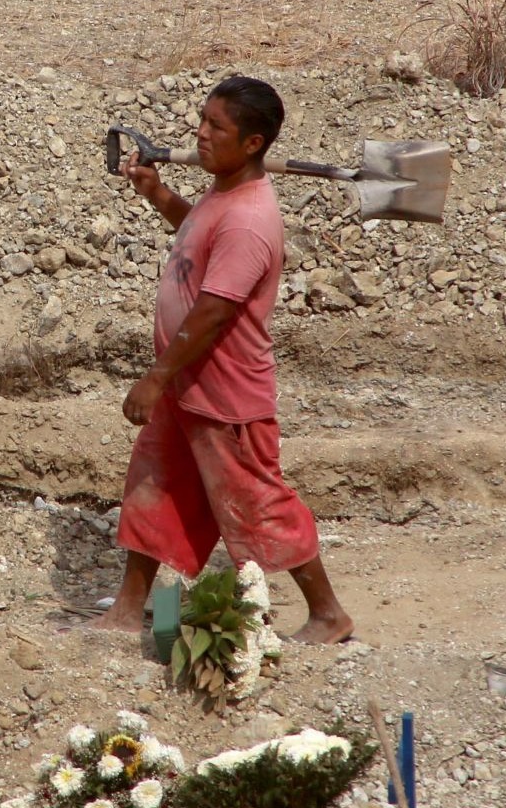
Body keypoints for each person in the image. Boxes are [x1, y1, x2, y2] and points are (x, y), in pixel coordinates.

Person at [87, 75, 353, 644]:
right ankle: (130, 609)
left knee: (254, 501)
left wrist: (154, 379)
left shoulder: (251, 219)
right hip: (186, 385)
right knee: (153, 489)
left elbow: (212, 310)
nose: (200, 134)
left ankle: (329, 613)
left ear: (253, 144)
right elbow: (198, 233)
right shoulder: (222, 194)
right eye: (202, 120)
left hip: (224, 394)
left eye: (216, 127)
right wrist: (158, 194)